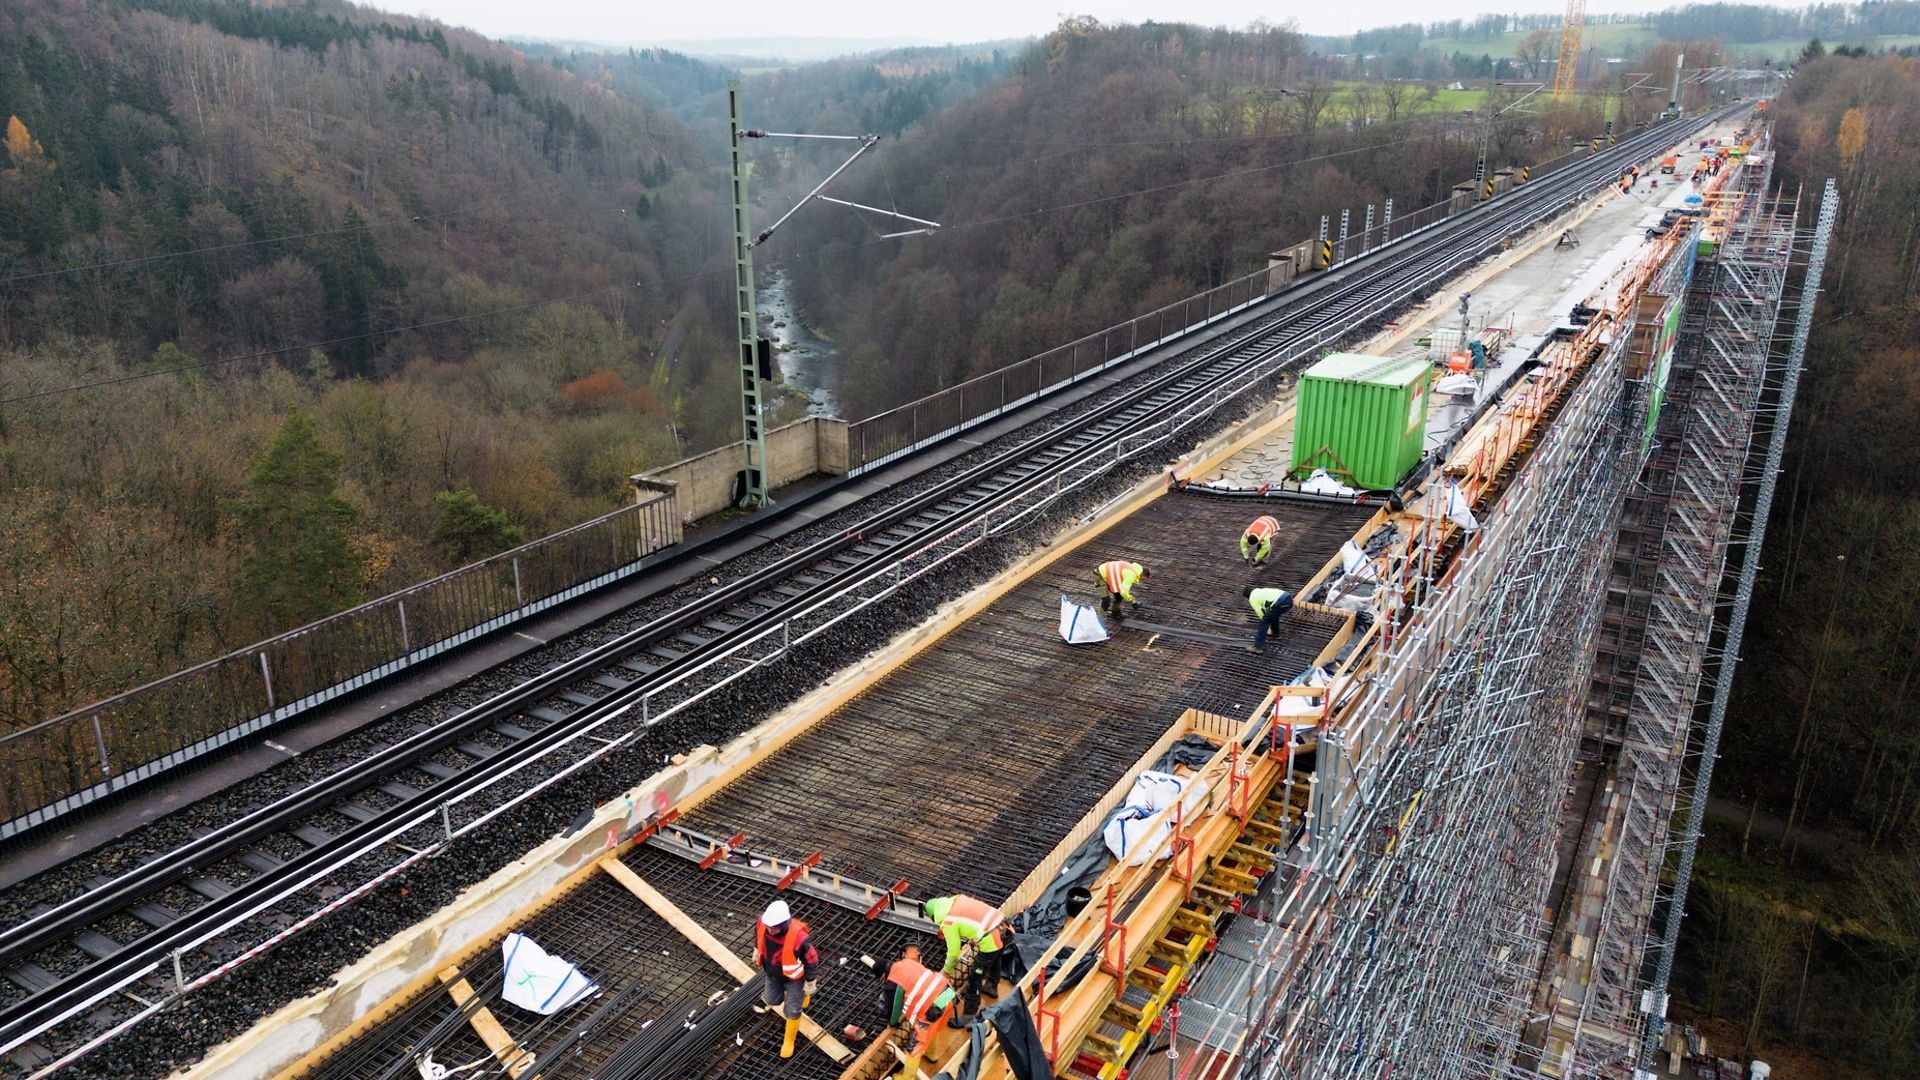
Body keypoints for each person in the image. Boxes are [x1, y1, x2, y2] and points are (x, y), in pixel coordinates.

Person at [872, 945, 957, 1079]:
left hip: (932, 1010)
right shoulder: (907, 961)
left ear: (883, 975)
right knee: (934, 1028)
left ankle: (906, 1078)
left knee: (914, 1048)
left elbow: (894, 1010)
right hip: (948, 995)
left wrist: (892, 1023)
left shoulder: (892, 982)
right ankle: (931, 1053)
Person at [923, 894, 1005, 1021]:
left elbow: (953, 952)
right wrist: (974, 937)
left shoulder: (948, 922)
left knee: (974, 977)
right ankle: (991, 987)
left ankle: (969, 1015)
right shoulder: (958, 899)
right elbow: (973, 917)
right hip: (1004, 927)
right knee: (995, 960)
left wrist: (946, 971)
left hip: (991, 939)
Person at [754, 899, 819, 1058]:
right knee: (771, 1000)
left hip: (794, 979)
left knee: (792, 1010)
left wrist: (810, 981)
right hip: (773, 973)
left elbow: (812, 960)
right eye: (768, 926)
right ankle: (798, 997)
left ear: (784, 924)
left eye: (774, 927)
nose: (770, 929)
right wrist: (756, 949)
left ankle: (789, 1041)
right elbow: (758, 935)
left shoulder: (799, 938)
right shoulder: (763, 923)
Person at [1245, 586, 1293, 653]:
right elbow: (1267, 607)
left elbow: (1260, 613)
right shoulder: (1258, 591)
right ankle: (1275, 633)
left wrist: (1265, 623)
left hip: (1281, 602)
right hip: (1288, 597)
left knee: (1264, 622)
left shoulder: (1252, 599)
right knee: (1273, 614)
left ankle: (1258, 647)